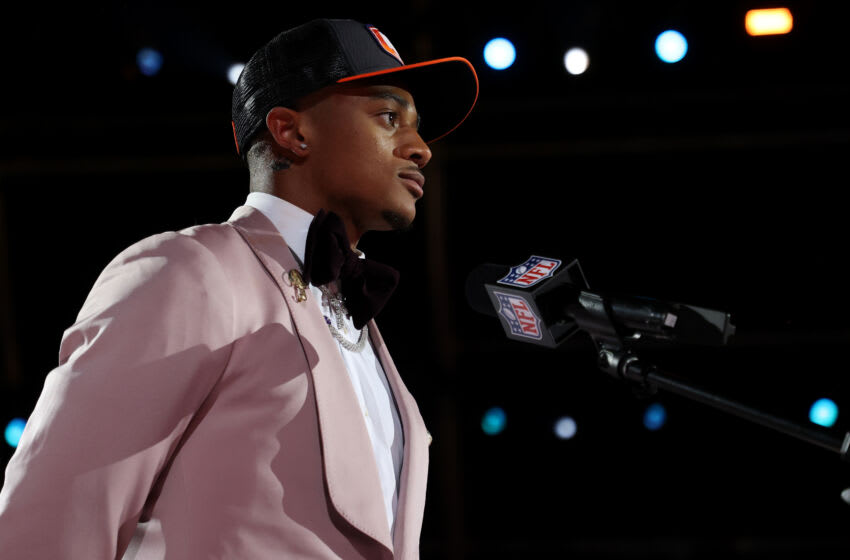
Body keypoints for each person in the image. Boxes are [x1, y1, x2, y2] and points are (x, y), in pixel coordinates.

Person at [0, 18, 478, 559]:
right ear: (292, 131)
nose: (422, 149)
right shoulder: (190, 271)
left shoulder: (358, 318)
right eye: (390, 117)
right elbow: (53, 516)